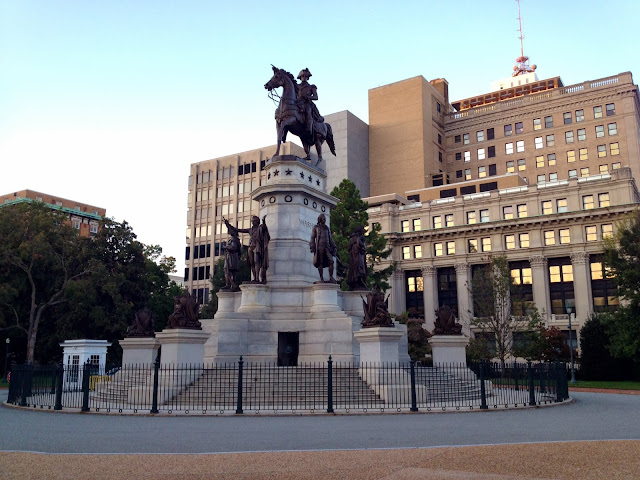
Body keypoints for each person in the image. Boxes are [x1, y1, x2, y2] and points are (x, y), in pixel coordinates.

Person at [226, 215, 270, 284]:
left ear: (257, 221)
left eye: (254, 221)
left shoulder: (260, 228)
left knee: (257, 262)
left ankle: (257, 278)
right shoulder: (250, 230)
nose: (253, 222)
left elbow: (264, 228)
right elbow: (238, 230)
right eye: (252, 221)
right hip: (250, 247)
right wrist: (228, 225)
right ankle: (254, 278)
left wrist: (264, 221)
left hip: (257, 247)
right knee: (251, 263)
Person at [309, 213, 337, 283]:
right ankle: (321, 278)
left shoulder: (327, 228)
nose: (325, 220)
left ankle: (331, 277)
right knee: (320, 263)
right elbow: (312, 237)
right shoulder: (316, 227)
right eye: (324, 219)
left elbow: (330, 239)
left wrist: (334, 246)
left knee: (331, 261)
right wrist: (312, 246)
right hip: (319, 247)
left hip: (327, 247)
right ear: (320, 219)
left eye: (325, 219)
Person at [297, 68, 324, 136]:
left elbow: (316, 97)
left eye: (306, 76)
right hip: (298, 103)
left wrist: (308, 97)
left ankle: (309, 129)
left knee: (308, 112)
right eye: (303, 76)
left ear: (308, 78)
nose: (304, 78)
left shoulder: (311, 87)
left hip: (307, 103)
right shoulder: (297, 86)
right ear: (300, 77)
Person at [222, 218, 242, 291]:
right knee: (232, 272)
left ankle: (229, 285)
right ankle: (231, 285)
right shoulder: (234, 239)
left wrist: (225, 247)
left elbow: (233, 247)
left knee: (227, 271)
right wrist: (227, 224)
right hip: (232, 257)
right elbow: (230, 228)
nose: (229, 231)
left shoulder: (233, 239)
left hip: (231, 257)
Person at [347, 225, 367, 290]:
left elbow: (362, 246)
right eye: (362, 230)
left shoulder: (358, 237)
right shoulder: (355, 238)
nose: (363, 231)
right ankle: (356, 281)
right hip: (356, 257)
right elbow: (358, 246)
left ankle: (359, 281)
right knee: (358, 269)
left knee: (361, 269)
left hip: (360, 256)